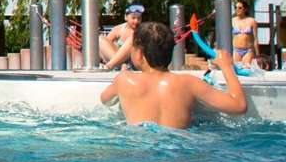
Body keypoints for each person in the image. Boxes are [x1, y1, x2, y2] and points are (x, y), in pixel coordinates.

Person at [100, 20, 247, 129]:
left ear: (138, 53)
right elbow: (239, 106)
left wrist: (122, 77)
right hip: (178, 152)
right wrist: (227, 66)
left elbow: (105, 100)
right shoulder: (189, 83)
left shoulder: (125, 80)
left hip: (139, 151)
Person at [100, 3, 145, 71]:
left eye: (139, 18)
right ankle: (119, 65)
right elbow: (105, 46)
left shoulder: (143, 30)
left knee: (133, 37)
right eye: (133, 18)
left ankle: (113, 65)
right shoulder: (118, 29)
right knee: (101, 39)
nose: (136, 21)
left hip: (134, 63)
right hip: (120, 64)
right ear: (126, 17)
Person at [233, 0, 258, 68]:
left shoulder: (252, 21)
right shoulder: (232, 21)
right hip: (236, 50)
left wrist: (257, 54)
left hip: (248, 50)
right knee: (236, 70)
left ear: (245, 9)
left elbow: (255, 39)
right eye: (236, 7)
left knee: (246, 70)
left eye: (240, 8)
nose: (237, 9)